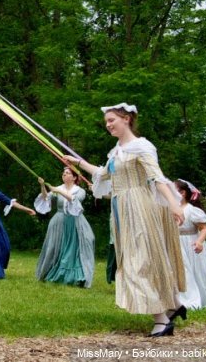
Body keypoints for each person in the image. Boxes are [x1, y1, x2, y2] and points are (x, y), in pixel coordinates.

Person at [62, 103, 185, 337]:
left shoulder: (141, 147)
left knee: (140, 260)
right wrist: (77, 163)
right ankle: (174, 304)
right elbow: (102, 174)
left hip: (139, 206)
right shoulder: (117, 150)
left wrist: (173, 204)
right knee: (135, 258)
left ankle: (162, 318)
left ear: (127, 119)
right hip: (122, 209)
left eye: (112, 120)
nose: (108, 125)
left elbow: (156, 177)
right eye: (106, 121)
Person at [34, 167, 96, 287]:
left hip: (75, 222)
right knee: (55, 246)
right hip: (59, 221)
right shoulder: (59, 188)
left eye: (67, 173)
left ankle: (78, 277)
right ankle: (53, 272)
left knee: (78, 247)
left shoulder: (80, 191)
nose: (64, 175)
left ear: (74, 177)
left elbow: (74, 200)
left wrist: (58, 190)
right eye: (63, 173)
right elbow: (46, 197)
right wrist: (42, 186)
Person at [174, 179, 206, 311]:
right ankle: (177, 298)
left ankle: (192, 298)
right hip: (175, 243)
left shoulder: (192, 210)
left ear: (182, 193)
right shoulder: (171, 209)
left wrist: (199, 241)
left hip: (189, 243)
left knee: (192, 271)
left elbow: (204, 228)